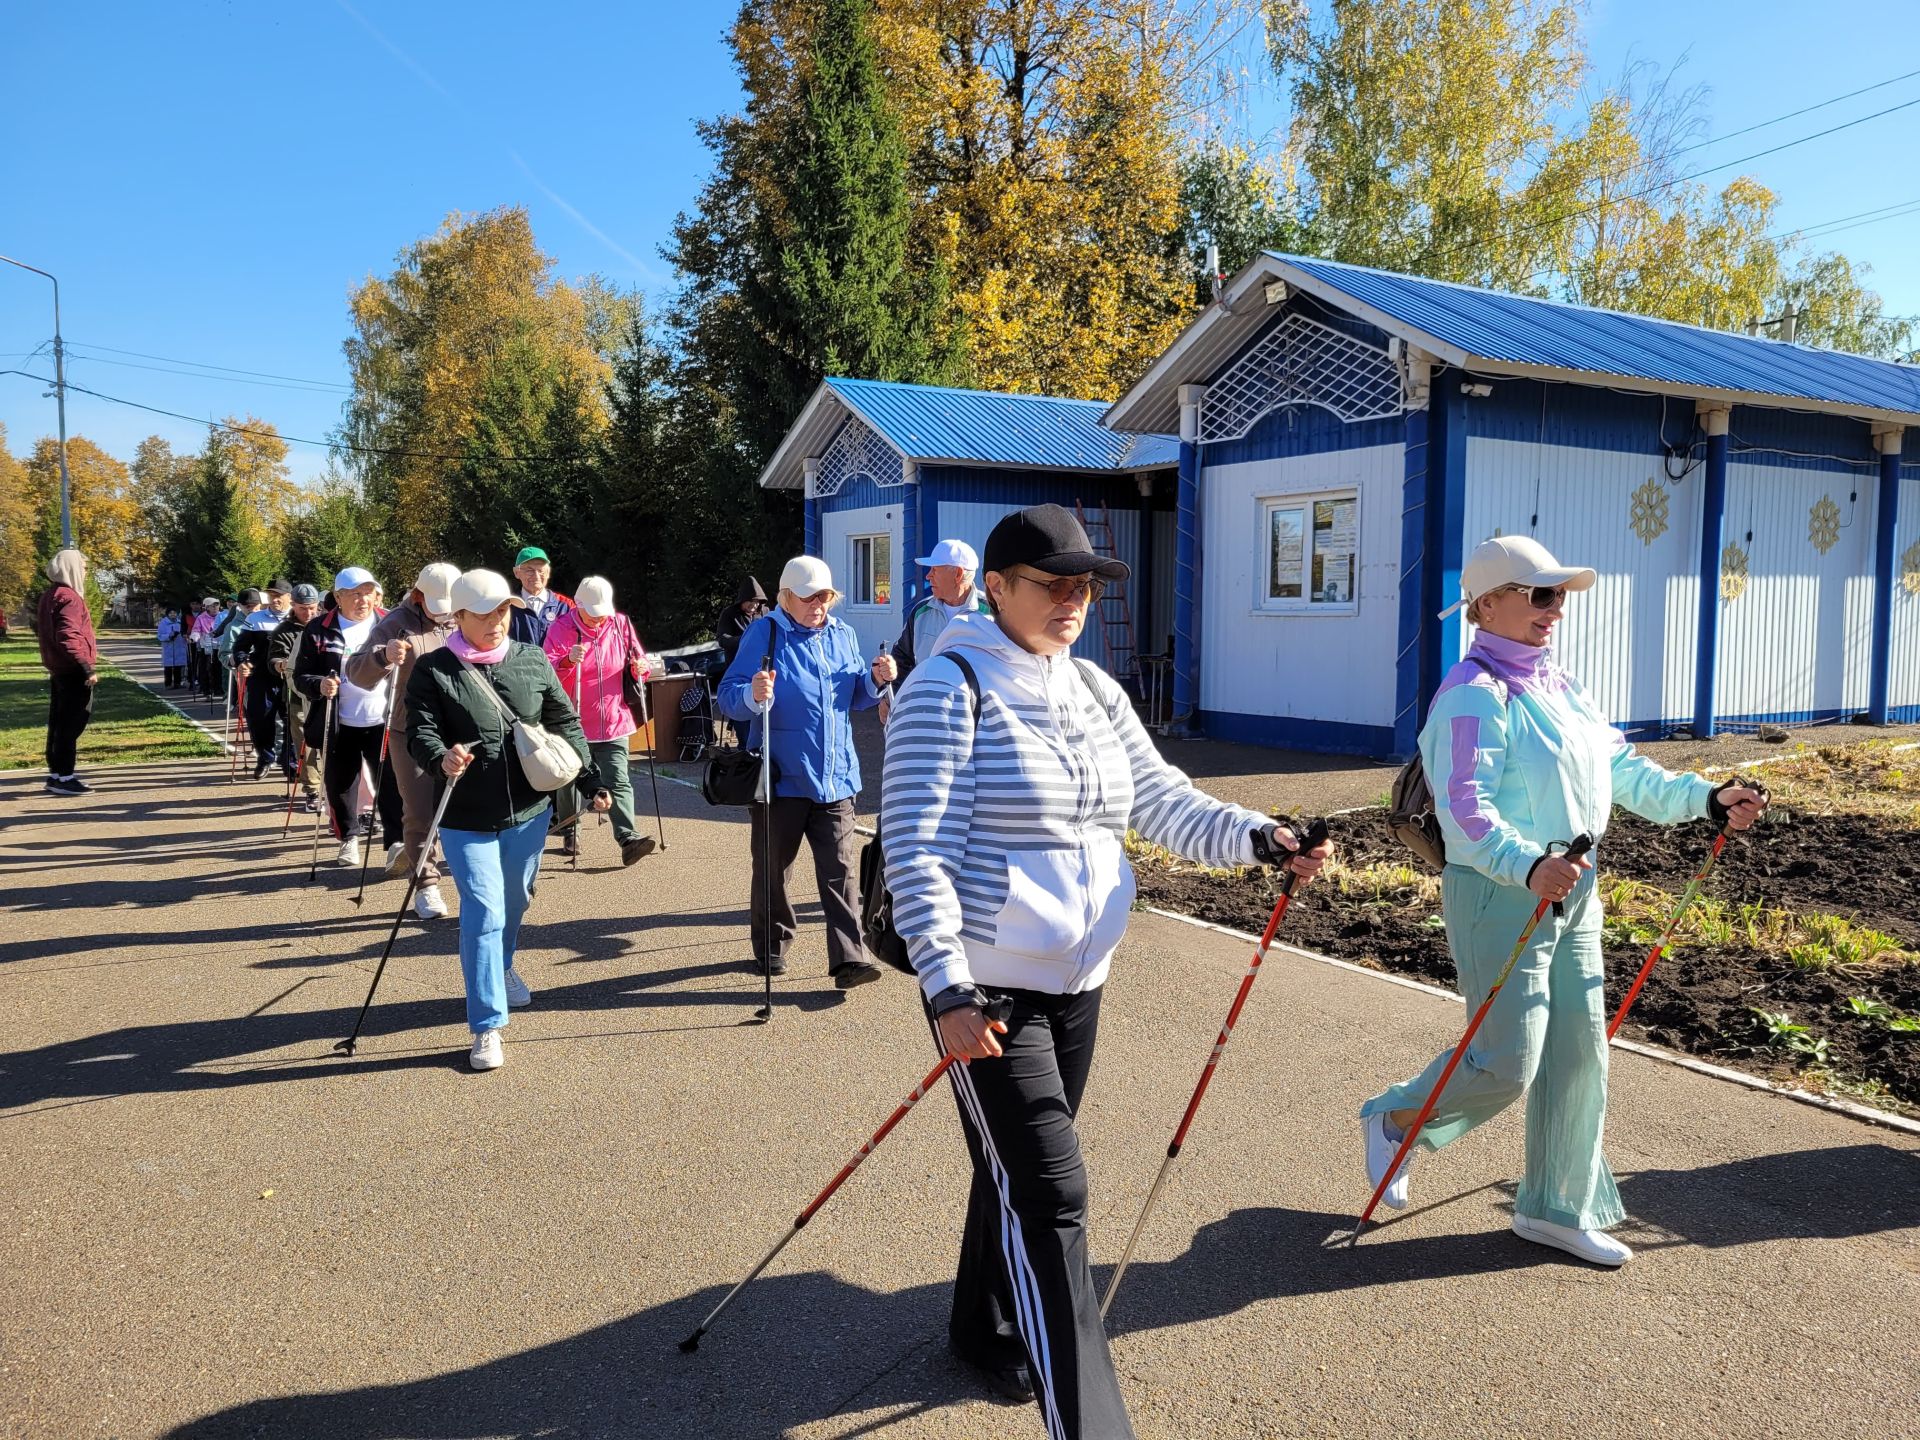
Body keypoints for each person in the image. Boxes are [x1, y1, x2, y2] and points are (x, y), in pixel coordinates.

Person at [881, 504, 1332, 1435]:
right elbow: (916, 853)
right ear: (996, 587)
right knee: (1053, 1197)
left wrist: (1259, 837)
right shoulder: (947, 686)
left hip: (1082, 979)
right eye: (1053, 582)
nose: (1074, 599)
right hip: (991, 990)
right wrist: (946, 989)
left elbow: (1160, 799)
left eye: (1085, 584)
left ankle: (979, 1326)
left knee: (1013, 1171)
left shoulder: (1091, 688)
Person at [1359, 535, 1767, 1269]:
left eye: (1561, 596)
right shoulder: (1472, 694)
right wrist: (1528, 865)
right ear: (1487, 604)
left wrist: (1706, 799)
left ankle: (1554, 1208)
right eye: (1540, 593)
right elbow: (1465, 812)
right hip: (1497, 894)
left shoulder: (1562, 686)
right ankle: (1395, 1118)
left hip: (1573, 889)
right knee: (1509, 1061)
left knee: (1580, 1058)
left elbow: (1622, 770)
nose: (1556, 609)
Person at [406, 569, 609, 1070]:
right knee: (482, 909)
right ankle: (487, 1024)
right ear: (458, 616)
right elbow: (420, 732)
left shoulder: (532, 659)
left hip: (529, 813)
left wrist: (590, 780)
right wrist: (440, 757)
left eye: (503, 611)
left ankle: (503, 965)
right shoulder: (434, 669)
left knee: (516, 899)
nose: (496, 621)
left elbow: (565, 722)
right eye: (484, 613)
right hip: (465, 816)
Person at [718, 556, 895, 989]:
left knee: (840, 870)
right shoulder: (766, 632)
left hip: (836, 777)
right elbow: (727, 695)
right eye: (810, 596)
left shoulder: (843, 634)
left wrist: (875, 679)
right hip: (781, 778)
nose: (819, 604)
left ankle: (849, 959)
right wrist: (752, 693)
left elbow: (857, 696)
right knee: (774, 871)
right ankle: (772, 946)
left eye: (826, 596)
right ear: (786, 597)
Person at [346, 562, 460, 918]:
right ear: (418, 594)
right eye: (435, 603)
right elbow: (356, 671)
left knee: (464, 808)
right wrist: (383, 656)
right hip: (409, 728)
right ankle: (425, 884)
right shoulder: (396, 622)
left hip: (459, 726)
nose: (443, 613)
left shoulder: (466, 614)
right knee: (420, 810)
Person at [543, 575, 661, 867]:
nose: (598, 619)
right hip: (572, 721)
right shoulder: (562, 627)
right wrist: (568, 660)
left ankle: (628, 838)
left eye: (602, 613)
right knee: (569, 781)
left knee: (618, 780)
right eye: (592, 613)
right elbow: (546, 670)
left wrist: (640, 668)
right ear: (578, 604)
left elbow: (639, 662)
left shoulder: (620, 624)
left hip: (613, 718)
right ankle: (571, 831)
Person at [294, 567, 402, 868]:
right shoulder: (318, 629)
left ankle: (396, 841)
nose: (362, 599)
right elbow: (301, 676)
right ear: (338, 597)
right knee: (341, 784)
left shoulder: (390, 623)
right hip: (339, 720)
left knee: (391, 782)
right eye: (354, 593)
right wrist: (320, 684)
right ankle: (348, 839)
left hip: (384, 717)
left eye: (368, 592)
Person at [37, 549, 99, 796]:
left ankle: (56, 772)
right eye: (83, 567)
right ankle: (65, 776)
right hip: (73, 670)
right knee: (71, 724)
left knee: (59, 722)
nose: (85, 572)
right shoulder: (69, 598)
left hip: (59, 669)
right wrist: (86, 667)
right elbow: (67, 635)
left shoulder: (50, 595)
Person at [889, 539, 989, 691]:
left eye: (934, 570)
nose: (928, 576)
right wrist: (893, 700)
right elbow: (901, 660)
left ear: (958, 574)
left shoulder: (994, 613)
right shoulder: (921, 612)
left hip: (975, 713)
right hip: (926, 710)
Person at [233, 580, 295, 779]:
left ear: (289, 597)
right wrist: (242, 661)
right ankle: (265, 758)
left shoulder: (298, 618)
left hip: (290, 678)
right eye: (271, 594)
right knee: (260, 719)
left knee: (292, 721)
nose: (274, 599)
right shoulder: (256, 618)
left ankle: (290, 761)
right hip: (262, 676)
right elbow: (240, 647)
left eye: (279, 595)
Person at [270, 584, 324, 808]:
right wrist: (281, 664)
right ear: (293, 605)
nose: (309, 613)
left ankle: (335, 788)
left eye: (312, 608)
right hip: (297, 695)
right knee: (305, 742)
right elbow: (273, 660)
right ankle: (312, 789)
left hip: (327, 692)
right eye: (303, 608)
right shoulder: (284, 630)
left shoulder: (326, 626)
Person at [505, 545, 572, 648]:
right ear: (517, 573)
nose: (536, 576)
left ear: (548, 573)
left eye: (541, 570)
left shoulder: (565, 606)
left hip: (555, 664)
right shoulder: (507, 606)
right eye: (529, 570)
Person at [714, 576, 770, 666]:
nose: (754, 605)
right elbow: (722, 638)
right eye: (750, 601)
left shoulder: (765, 612)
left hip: (761, 664)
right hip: (738, 665)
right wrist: (745, 639)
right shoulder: (729, 613)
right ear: (742, 600)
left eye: (757, 601)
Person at [189, 598, 219, 697]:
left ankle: (218, 689)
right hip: (206, 647)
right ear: (206, 607)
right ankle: (206, 690)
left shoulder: (223, 616)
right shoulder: (201, 618)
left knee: (217, 669)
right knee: (205, 669)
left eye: (216, 605)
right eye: (212, 606)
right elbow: (196, 630)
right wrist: (194, 638)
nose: (215, 608)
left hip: (220, 646)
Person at [156, 606, 188, 688]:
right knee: (168, 667)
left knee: (178, 666)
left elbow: (184, 633)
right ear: (167, 614)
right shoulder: (163, 623)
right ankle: (168, 683)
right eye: (171, 613)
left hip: (179, 647)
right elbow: (159, 636)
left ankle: (177, 683)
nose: (173, 614)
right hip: (168, 647)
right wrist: (169, 636)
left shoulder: (180, 622)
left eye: (174, 613)